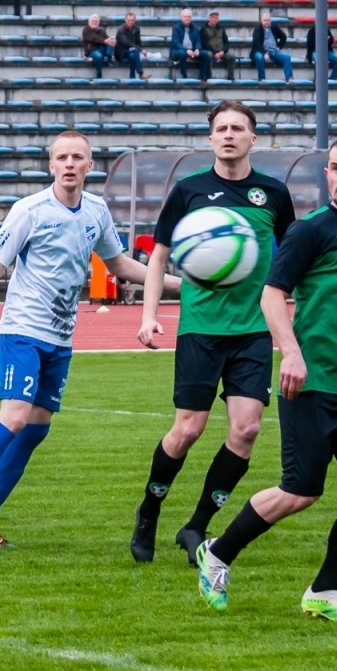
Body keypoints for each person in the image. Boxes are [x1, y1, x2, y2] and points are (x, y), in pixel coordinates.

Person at [196, 137, 337, 623]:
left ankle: (324, 589)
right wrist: (290, 353)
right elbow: (273, 296)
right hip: (310, 384)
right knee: (300, 491)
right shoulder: (310, 231)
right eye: (335, 167)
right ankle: (217, 553)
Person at [0, 131, 162, 554]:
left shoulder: (96, 210)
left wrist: (179, 284)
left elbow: (118, 263)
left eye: (76, 157)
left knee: (37, 428)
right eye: (61, 157)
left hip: (61, 337)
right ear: (50, 165)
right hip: (23, 330)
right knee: (13, 417)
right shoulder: (29, 210)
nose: (68, 163)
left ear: (88, 165)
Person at [132, 100, 294, 565]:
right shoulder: (189, 191)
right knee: (188, 430)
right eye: (220, 128)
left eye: (237, 128)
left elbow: (291, 258)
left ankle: (197, 526)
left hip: (253, 330)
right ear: (210, 138)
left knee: (246, 429)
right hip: (200, 328)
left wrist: (292, 319)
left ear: (252, 138)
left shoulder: (273, 194)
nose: (228, 134)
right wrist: (148, 315)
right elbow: (158, 256)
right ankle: (150, 510)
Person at [251, 12, 293, 82]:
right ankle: (262, 79)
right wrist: (264, 53)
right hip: (260, 51)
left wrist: (279, 46)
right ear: (261, 21)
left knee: (287, 58)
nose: (267, 22)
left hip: (273, 51)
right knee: (259, 57)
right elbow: (256, 44)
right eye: (265, 20)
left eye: (268, 20)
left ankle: (289, 78)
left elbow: (283, 37)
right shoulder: (257, 29)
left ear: (270, 21)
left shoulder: (274, 27)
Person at [170, 7, 208, 80]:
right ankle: (184, 75)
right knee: (182, 53)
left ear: (191, 18)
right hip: (180, 50)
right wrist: (186, 50)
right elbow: (176, 43)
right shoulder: (176, 28)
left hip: (192, 50)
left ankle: (202, 77)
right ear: (182, 18)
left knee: (205, 54)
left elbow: (198, 41)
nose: (187, 18)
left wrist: (197, 49)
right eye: (185, 17)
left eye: (189, 17)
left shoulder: (195, 27)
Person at [200, 11, 238, 81]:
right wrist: (214, 53)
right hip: (210, 51)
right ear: (209, 18)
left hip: (221, 51)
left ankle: (230, 77)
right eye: (213, 17)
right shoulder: (203, 29)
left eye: (216, 17)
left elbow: (226, 42)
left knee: (232, 56)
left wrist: (223, 51)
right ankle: (209, 76)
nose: (214, 19)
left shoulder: (222, 28)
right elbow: (204, 44)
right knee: (208, 55)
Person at [113, 10, 146, 78]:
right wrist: (140, 49)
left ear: (134, 20)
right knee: (135, 51)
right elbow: (125, 42)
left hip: (131, 51)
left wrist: (136, 48)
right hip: (121, 52)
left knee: (132, 56)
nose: (130, 22)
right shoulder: (121, 29)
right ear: (125, 20)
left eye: (132, 20)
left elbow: (138, 41)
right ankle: (140, 73)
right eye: (129, 20)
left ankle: (132, 76)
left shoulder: (137, 29)